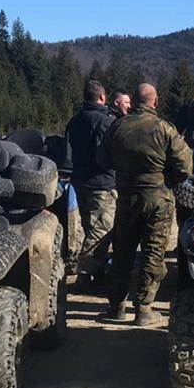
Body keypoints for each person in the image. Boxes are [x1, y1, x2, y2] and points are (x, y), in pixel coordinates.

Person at [97, 83, 191, 327]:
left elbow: (103, 159)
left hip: (127, 198)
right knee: (153, 253)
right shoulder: (164, 128)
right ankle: (144, 308)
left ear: (135, 101)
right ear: (155, 102)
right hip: (158, 199)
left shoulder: (118, 126)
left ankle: (116, 306)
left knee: (122, 252)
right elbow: (185, 166)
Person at [65, 80, 118, 287]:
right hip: (101, 182)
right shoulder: (105, 122)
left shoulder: (75, 121)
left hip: (80, 180)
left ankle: (98, 273)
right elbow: (109, 153)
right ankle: (85, 274)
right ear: (102, 97)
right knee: (101, 231)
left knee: (90, 227)